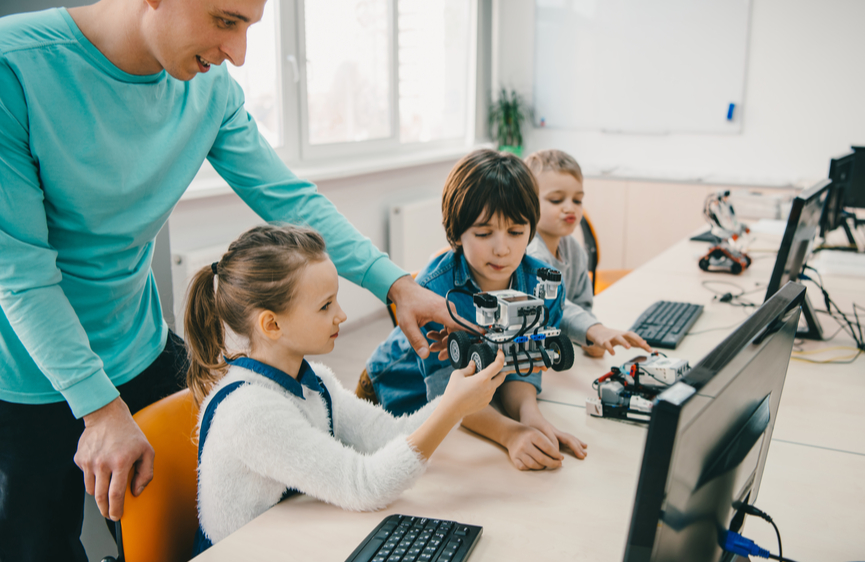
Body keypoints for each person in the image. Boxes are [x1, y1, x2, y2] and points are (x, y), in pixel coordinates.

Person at [0, 2, 459, 560]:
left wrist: (395, 284)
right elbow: (22, 276)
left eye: (248, 25)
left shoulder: (208, 87)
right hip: (25, 374)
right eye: (225, 21)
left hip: (138, 347)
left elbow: (288, 200)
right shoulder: (15, 67)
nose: (237, 54)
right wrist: (99, 408)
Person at [184, 225, 507, 555]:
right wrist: (452, 408)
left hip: (290, 541)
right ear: (272, 325)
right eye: (325, 306)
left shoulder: (314, 382)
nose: (342, 315)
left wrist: (460, 395)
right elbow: (364, 485)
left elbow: (390, 434)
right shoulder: (251, 412)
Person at [363, 149, 589, 471]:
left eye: (515, 232)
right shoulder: (436, 293)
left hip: (477, 398)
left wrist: (529, 414)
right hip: (398, 391)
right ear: (456, 233)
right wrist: (510, 434)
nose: (502, 248)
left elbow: (520, 362)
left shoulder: (541, 283)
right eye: (484, 233)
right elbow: (449, 399)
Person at [524, 149, 651, 358]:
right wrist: (593, 329)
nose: (570, 208)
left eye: (577, 200)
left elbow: (582, 303)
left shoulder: (573, 249)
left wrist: (590, 338)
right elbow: (552, 306)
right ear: (527, 203)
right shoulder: (533, 254)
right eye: (556, 200)